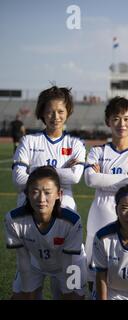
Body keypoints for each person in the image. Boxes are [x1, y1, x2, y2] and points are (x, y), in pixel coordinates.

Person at [11, 85, 87, 298]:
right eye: (50, 111)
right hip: (30, 221)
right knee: (24, 293)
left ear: (68, 113)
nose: (55, 116)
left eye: (61, 111)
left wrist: (34, 172)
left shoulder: (76, 144)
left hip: (65, 222)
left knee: (72, 292)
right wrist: (58, 172)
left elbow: (74, 177)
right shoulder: (29, 141)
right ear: (42, 113)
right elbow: (18, 180)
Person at [84, 97, 128, 291]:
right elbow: (90, 180)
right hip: (99, 215)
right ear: (108, 122)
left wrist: (103, 177)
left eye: (126, 118)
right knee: (94, 273)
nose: (121, 124)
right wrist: (127, 177)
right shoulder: (97, 151)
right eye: (115, 118)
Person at [4, 166, 86, 299]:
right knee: (20, 297)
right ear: (27, 193)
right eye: (35, 192)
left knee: (74, 297)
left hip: (71, 263)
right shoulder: (14, 220)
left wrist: (68, 292)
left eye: (47, 192)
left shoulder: (72, 221)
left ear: (59, 194)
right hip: (34, 262)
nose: (41, 199)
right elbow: (23, 259)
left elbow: (68, 262)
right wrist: (27, 290)